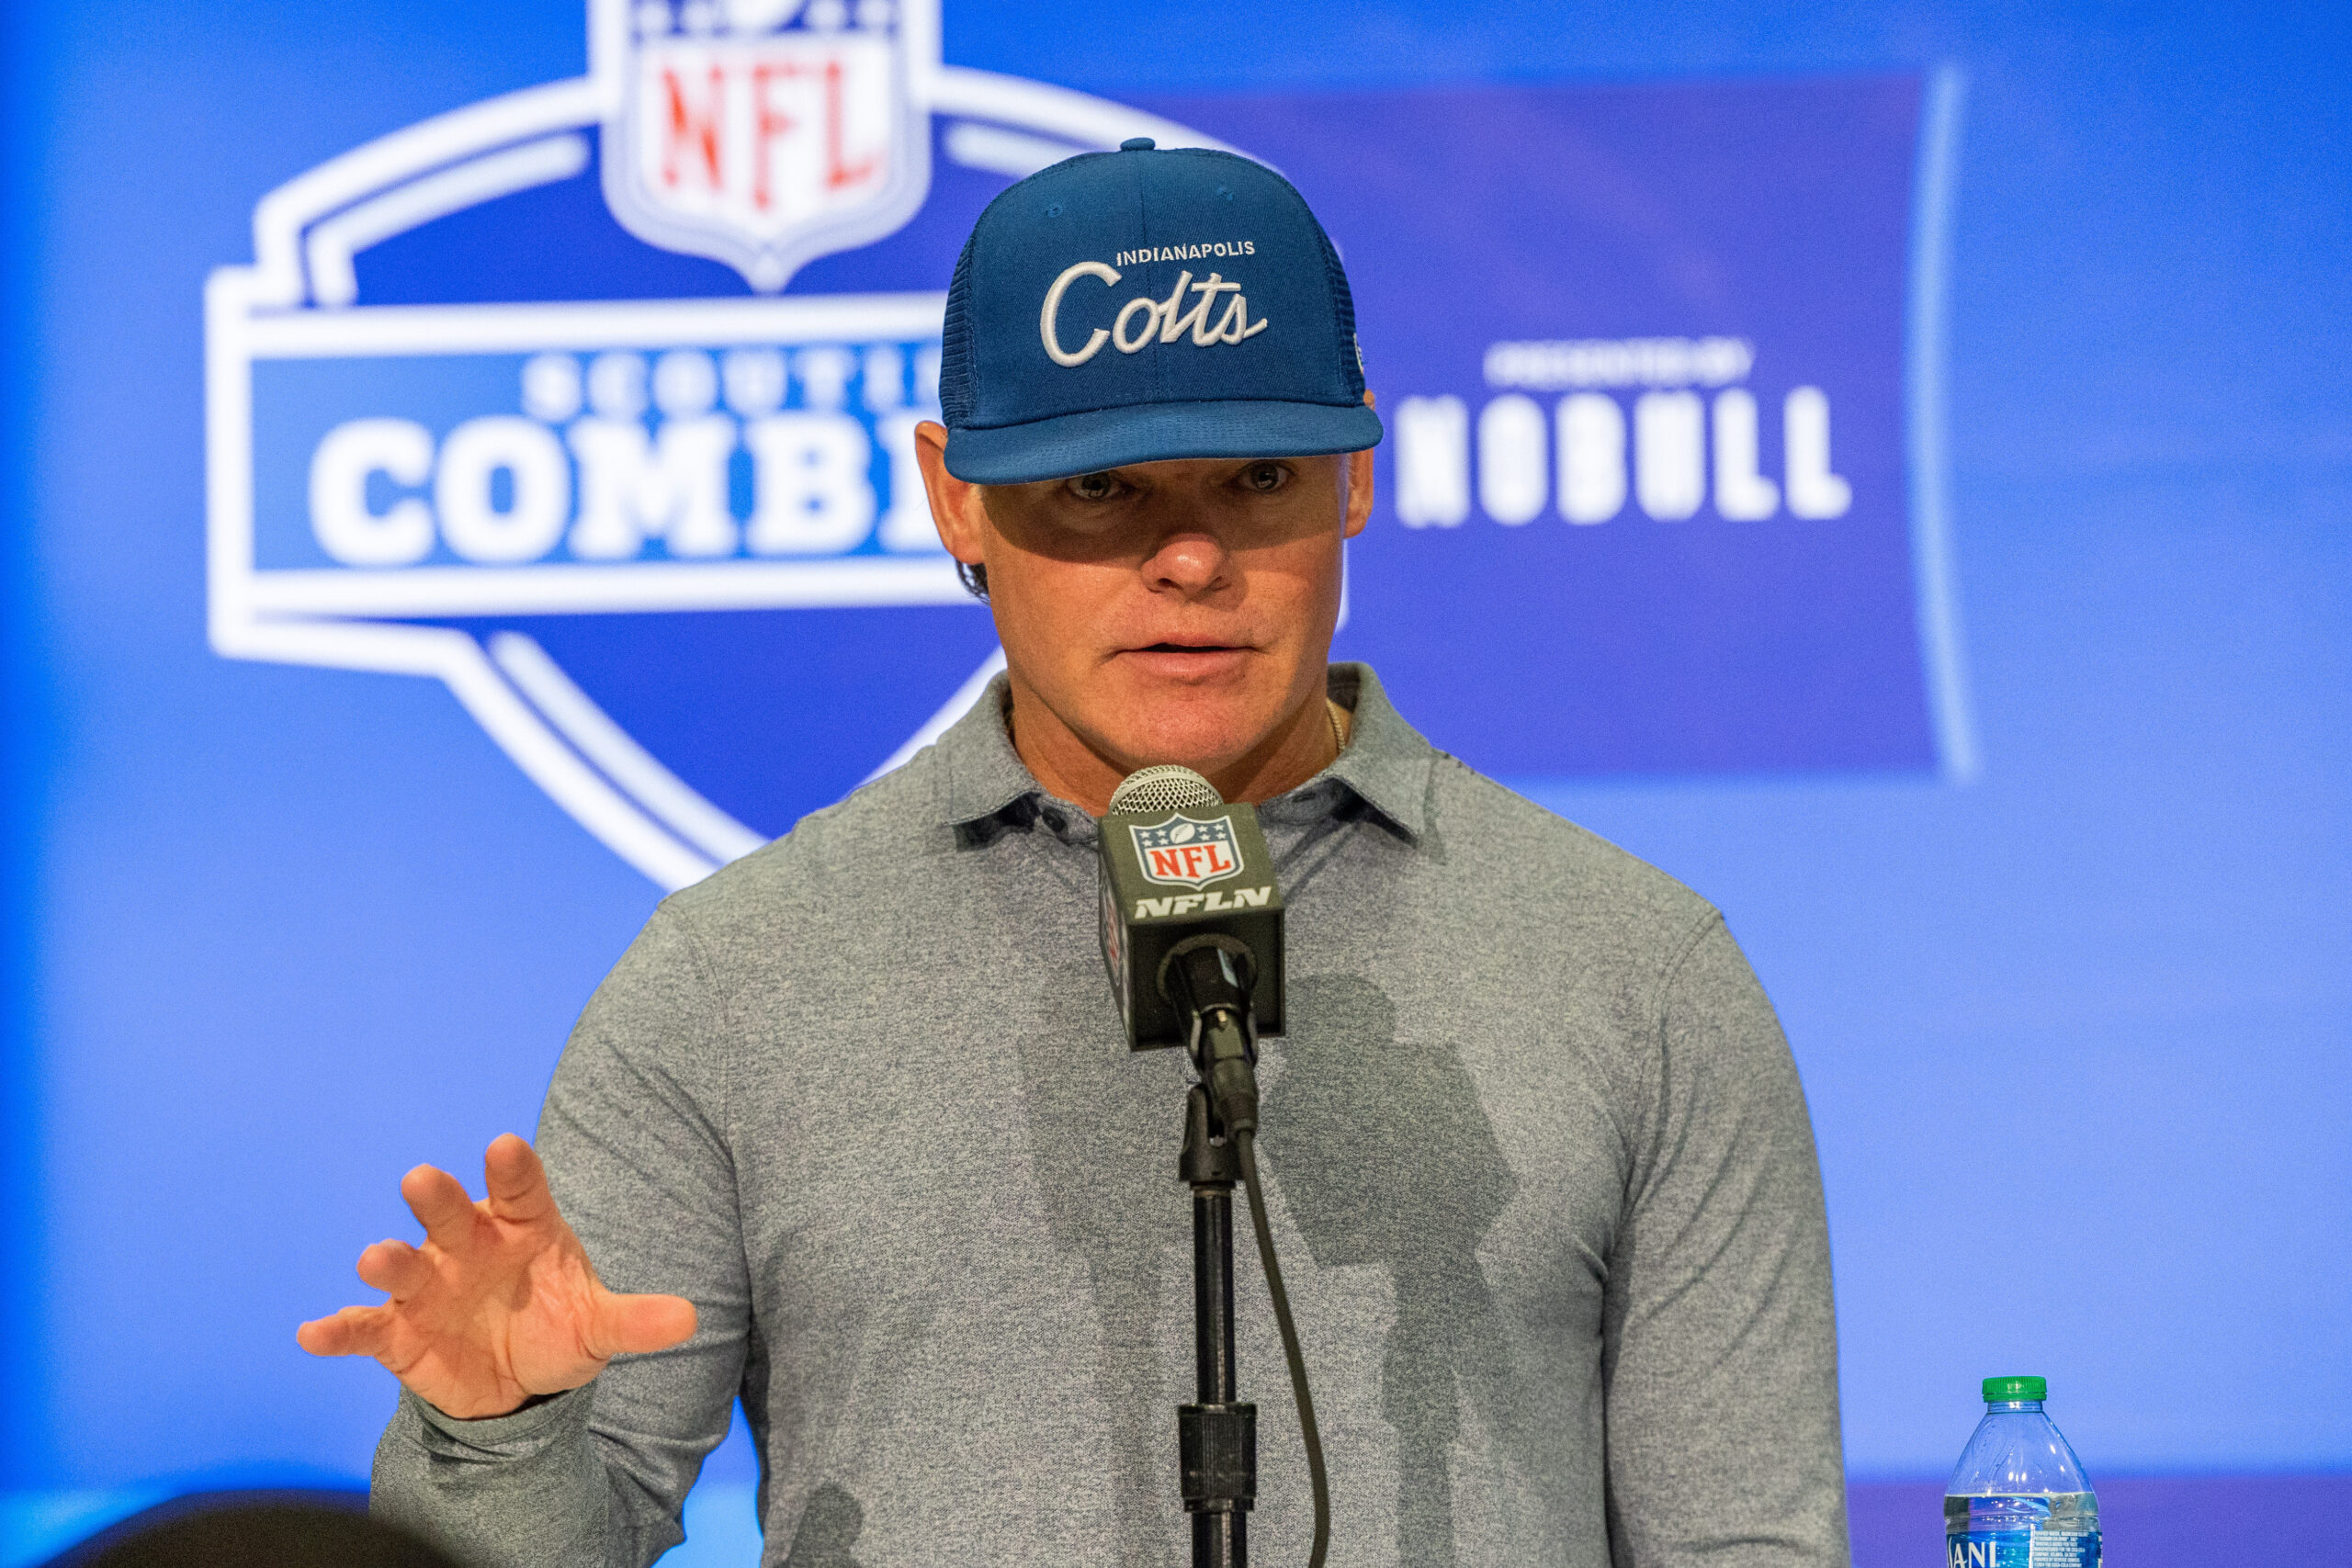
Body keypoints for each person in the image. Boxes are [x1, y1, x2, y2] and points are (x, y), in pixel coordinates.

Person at [300, 141, 1849, 1568]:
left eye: (1259, 475)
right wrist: (500, 1432)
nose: (1191, 554)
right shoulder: (735, 982)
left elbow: (1746, 1544)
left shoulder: (1635, 972)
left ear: (1358, 481)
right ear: (952, 498)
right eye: (1101, 486)